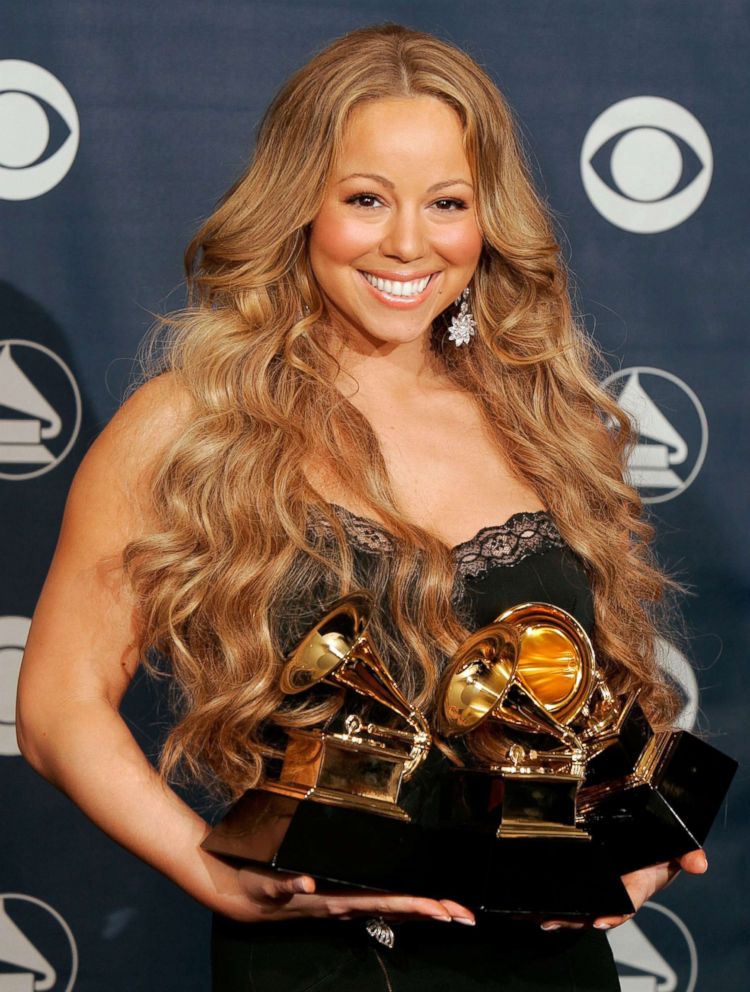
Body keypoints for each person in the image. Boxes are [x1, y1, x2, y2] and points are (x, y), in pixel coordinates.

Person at [17, 22, 707, 992]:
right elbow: (56, 705)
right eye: (367, 199)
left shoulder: (542, 414)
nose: (408, 242)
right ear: (300, 203)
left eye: (447, 202)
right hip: (325, 963)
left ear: (486, 218)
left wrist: (646, 836)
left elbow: (605, 695)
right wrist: (201, 862)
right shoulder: (188, 421)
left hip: (548, 963)